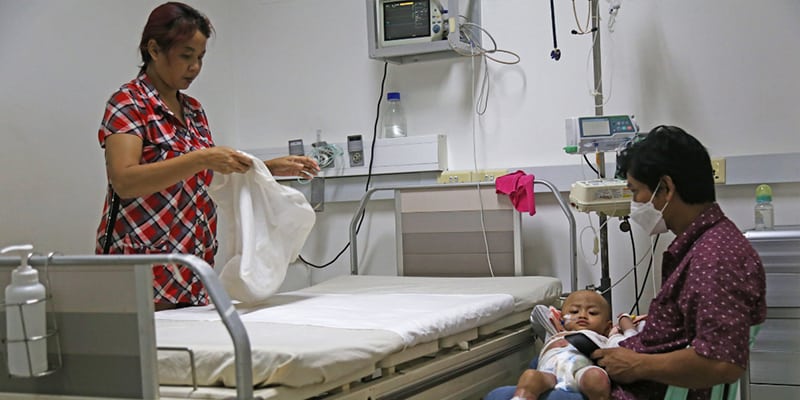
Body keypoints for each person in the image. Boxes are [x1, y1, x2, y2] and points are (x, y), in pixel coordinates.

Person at [487, 125, 766, 400]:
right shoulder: (705, 247)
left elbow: (722, 363)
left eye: (635, 192)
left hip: (638, 390)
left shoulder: (713, 259)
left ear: (666, 188)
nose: (634, 203)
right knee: (534, 373)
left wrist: (637, 363)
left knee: (502, 396)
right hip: (634, 377)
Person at [94, 2, 320, 311]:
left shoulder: (194, 111)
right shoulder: (129, 104)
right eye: (186, 56)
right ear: (155, 50)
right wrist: (202, 158)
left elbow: (202, 175)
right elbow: (124, 180)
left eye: (200, 58)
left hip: (193, 266)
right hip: (142, 268)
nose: (195, 68)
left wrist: (264, 168)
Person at [512, 290, 615, 400]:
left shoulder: (604, 338)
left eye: (592, 313)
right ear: (560, 320)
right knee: (530, 376)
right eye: (575, 311)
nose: (582, 315)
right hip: (549, 374)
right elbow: (538, 311)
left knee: (596, 378)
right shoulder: (556, 332)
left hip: (581, 371)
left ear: (607, 327)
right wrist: (557, 320)